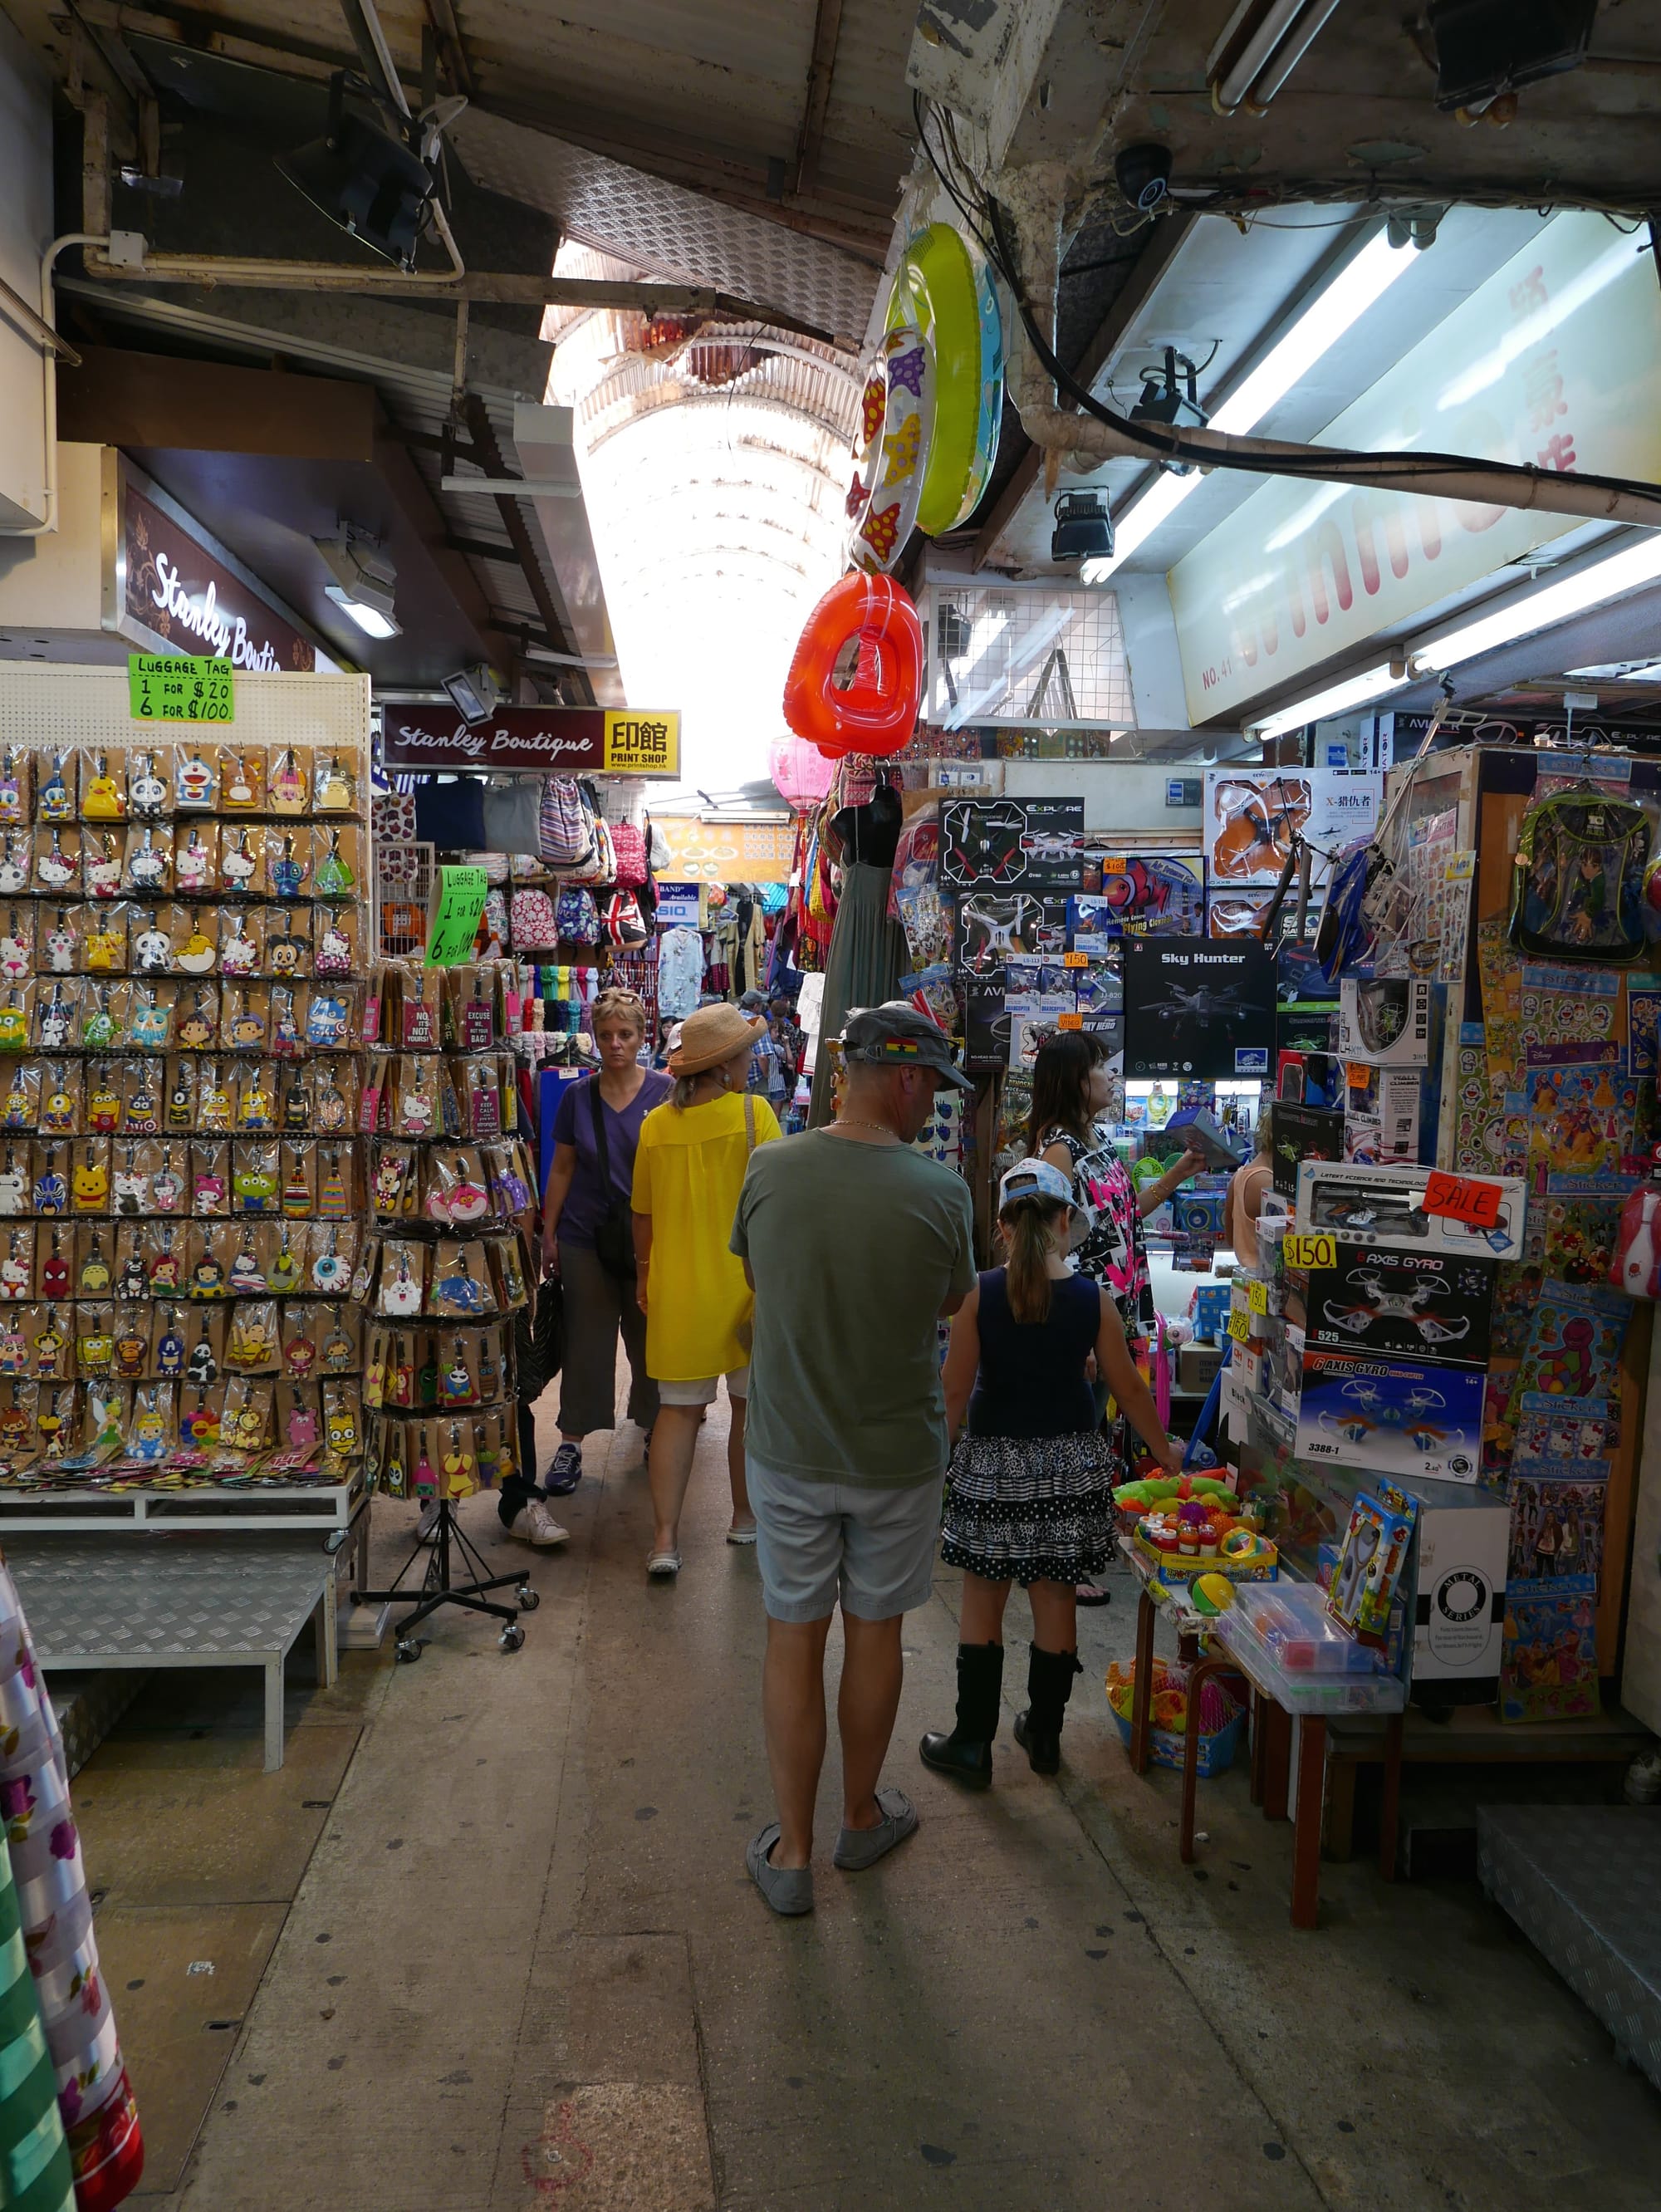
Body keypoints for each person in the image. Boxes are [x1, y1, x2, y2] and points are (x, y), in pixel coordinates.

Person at [731, 1002, 976, 1916]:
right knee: (874, 1630)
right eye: (933, 1090)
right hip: (894, 1458)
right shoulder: (939, 1190)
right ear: (906, 1077)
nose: (934, 1109)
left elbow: (761, 1278)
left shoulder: (769, 1167)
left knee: (793, 1634)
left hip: (789, 1447)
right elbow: (952, 1301)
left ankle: (790, 1853)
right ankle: (860, 1816)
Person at [921, 1159, 1183, 1787]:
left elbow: (952, 1395)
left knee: (985, 1594)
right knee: (1055, 1593)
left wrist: (928, 1470)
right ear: (1067, 1220)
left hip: (993, 1464)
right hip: (1070, 1467)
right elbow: (1130, 1389)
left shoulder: (980, 1293)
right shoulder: (1093, 1299)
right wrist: (1165, 1455)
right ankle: (1043, 1736)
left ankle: (973, 1743)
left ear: (1006, 1227)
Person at [1026, 1030, 1203, 1606]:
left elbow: (1125, 1216)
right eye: (1103, 1068)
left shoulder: (1096, 1139)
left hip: (1111, 1316)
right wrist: (1069, 1329)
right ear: (1079, 1080)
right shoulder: (1057, 1151)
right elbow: (1044, 1247)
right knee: (1074, 1432)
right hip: (1079, 1320)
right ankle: (1060, 1557)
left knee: (1091, 1431)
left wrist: (1177, 1174)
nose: (1112, 1077)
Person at [631, 1002, 782, 1577]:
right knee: (747, 1408)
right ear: (722, 1066)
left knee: (677, 1412)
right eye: (743, 1054)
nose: (749, 1060)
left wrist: (645, 1274)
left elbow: (641, 1214)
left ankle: (665, 1539)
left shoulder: (654, 1127)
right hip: (749, 1288)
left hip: (679, 1290)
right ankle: (744, 1517)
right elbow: (776, 1206)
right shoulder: (755, 1115)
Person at [534, 988, 671, 1508]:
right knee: (586, 1342)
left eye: (626, 1035)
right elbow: (562, 1166)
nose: (616, 1044)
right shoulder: (577, 1096)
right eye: (607, 1035)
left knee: (649, 1338)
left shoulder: (665, 1091)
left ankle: (658, 1429)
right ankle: (571, 1443)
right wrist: (549, 1232)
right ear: (595, 1037)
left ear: (642, 1037)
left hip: (648, 1238)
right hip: (585, 1236)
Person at [1225, 1106, 1276, 1271]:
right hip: (1269, 1281)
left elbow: (1231, 1239)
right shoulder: (1266, 1182)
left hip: (1250, 1278)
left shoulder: (1239, 1177)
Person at [739, 990, 788, 1106]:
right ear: (755, 1006)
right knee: (757, 1116)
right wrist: (766, 1075)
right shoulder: (757, 1023)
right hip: (755, 1081)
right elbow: (762, 1056)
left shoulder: (735, 1018)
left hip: (736, 1078)